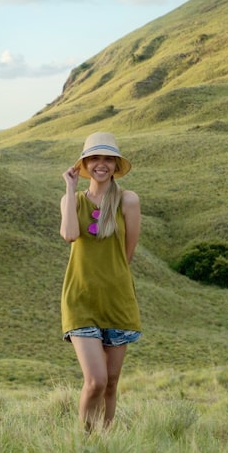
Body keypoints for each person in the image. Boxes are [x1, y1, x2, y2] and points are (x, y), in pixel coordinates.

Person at [59, 132, 142, 432]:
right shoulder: (73, 201)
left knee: (111, 384)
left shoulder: (128, 200)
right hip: (80, 300)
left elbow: (126, 254)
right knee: (95, 381)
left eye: (108, 159)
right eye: (95, 158)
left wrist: (111, 279)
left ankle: (105, 446)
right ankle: (84, 444)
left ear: (116, 165)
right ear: (84, 164)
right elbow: (69, 235)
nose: (101, 164)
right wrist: (70, 188)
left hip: (118, 301)